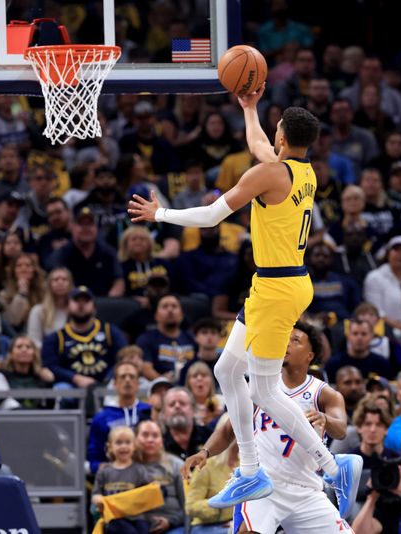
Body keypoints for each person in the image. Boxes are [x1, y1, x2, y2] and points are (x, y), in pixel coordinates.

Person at [129, 90, 359, 511]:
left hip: (277, 289)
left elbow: (212, 215)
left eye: (275, 132)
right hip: (276, 283)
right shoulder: (302, 170)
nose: (270, 138)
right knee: (226, 370)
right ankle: (252, 471)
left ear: (283, 138)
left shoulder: (268, 174)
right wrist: (249, 108)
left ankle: (331, 466)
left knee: (266, 392)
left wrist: (161, 215)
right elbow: (259, 147)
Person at [181, 322, 355, 530]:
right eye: (286, 339)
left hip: (306, 488)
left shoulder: (323, 393)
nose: (287, 344)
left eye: (295, 340)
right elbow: (229, 429)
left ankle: (336, 470)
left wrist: (326, 419)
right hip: (266, 486)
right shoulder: (260, 388)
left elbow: (342, 429)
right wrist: (205, 452)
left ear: (310, 356)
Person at [92, 426, 154, 534]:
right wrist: (98, 499)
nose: (123, 446)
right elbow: (96, 494)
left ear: (134, 446)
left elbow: (148, 493)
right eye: (119, 443)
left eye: (127, 442)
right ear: (110, 447)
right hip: (113, 517)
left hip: (137, 517)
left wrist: (154, 488)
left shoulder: (139, 470)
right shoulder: (104, 471)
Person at [135, 420, 186, 534]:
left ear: (162, 440)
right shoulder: (128, 466)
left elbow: (188, 505)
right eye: (145, 435)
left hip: (173, 526)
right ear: (135, 438)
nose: (150, 440)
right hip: (137, 526)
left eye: (155, 435)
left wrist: (170, 521)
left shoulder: (176, 465)